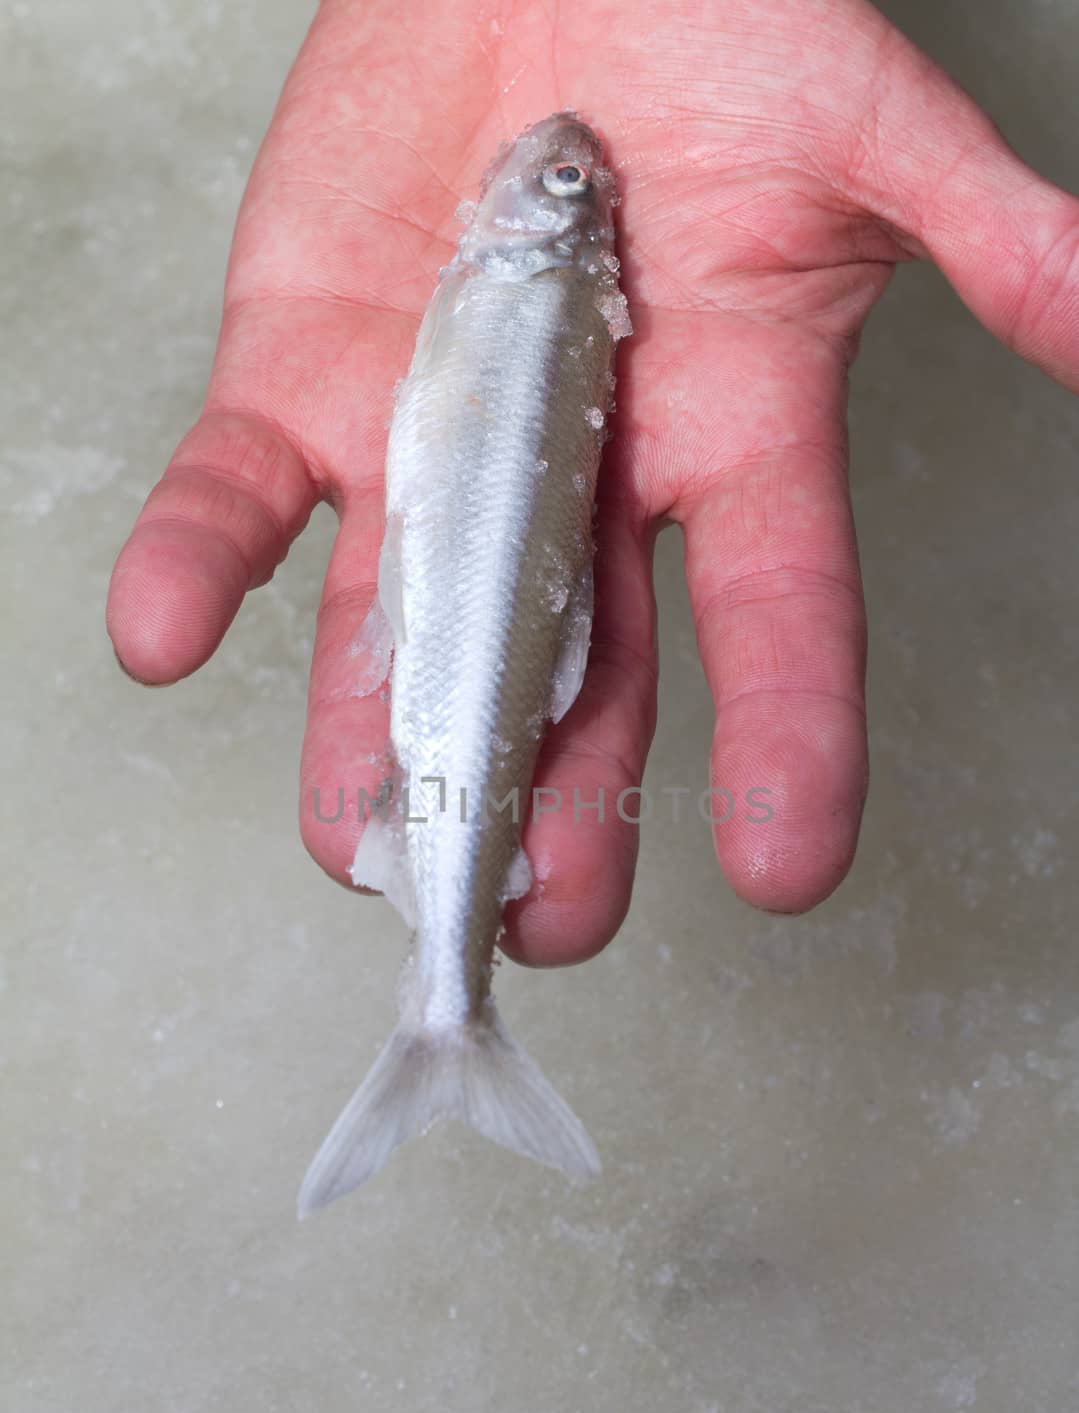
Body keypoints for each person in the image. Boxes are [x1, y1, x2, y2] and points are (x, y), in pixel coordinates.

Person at [105, 0, 1079, 969]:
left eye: (562, 181)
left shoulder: (526, 282)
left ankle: (450, 988)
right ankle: (449, 976)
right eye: (570, 180)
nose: (557, 164)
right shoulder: (527, 284)